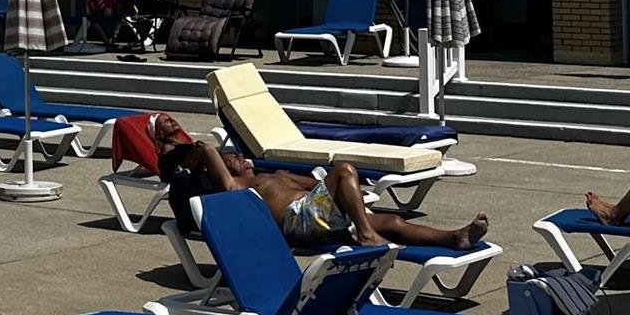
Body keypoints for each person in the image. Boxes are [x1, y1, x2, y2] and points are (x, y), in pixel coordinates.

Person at [153, 119, 488, 254]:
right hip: (299, 223)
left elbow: (315, 183)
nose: (236, 156)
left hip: (318, 213)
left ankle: (453, 238)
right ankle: (366, 234)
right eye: (230, 156)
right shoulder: (235, 188)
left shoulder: (274, 175)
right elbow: (221, 181)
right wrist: (205, 152)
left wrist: (355, 194)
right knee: (344, 170)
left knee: (393, 221)